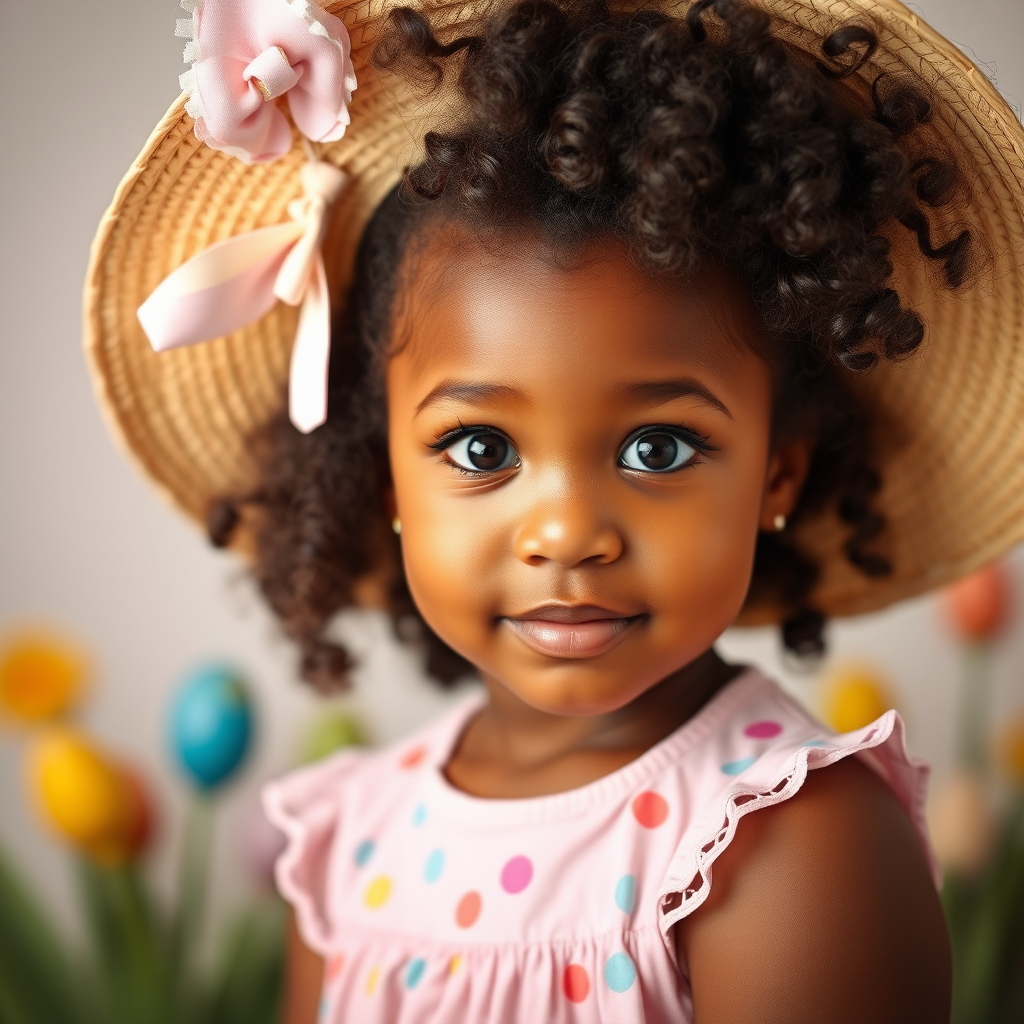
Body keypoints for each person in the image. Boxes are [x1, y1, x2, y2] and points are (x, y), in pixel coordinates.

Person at [85, 0, 1024, 1020]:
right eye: (480, 448)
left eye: (656, 447)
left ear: (775, 478)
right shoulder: (351, 838)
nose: (568, 531)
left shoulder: (788, 839)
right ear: (389, 475)